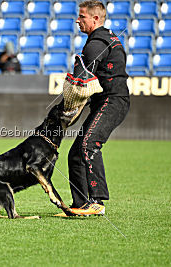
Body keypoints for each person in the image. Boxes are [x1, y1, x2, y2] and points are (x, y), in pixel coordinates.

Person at [56, 0, 130, 216]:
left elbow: (82, 81)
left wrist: (65, 109)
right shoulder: (109, 37)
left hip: (112, 101)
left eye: (82, 17)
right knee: (76, 154)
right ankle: (81, 204)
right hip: (108, 101)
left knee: (88, 145)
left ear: (95, 18)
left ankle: (96, 202)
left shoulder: (96, 44)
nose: (77, 20)